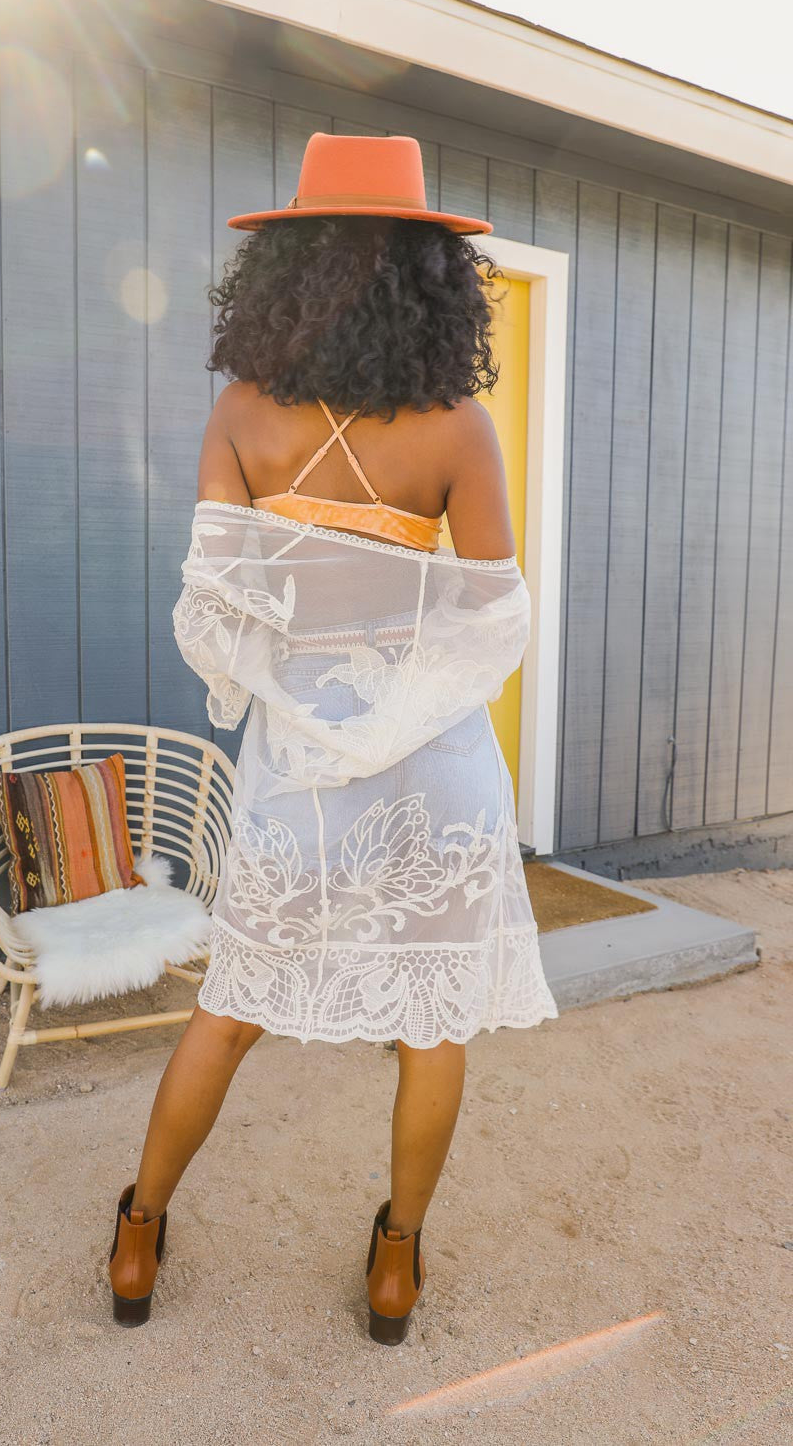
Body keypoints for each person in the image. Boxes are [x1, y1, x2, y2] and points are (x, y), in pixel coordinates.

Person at [107, 133, 558, 1344]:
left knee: (232, 1007)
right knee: (431, 1024)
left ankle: (139, 1233)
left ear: (284, 270)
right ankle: (395, 1267)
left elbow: (213, 616)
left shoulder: (241, 415)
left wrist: (299, 703)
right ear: (432, 276)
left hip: (299, 777)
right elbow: (493, 620)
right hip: (436, 775)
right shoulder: (459, 426)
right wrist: (395, 710)